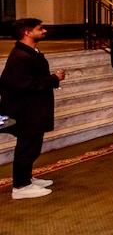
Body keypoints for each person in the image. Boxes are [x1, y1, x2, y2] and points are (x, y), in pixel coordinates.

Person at [0, 18, 65, 199]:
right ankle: (20, 187)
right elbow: (22, 84)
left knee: (32, 147)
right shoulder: (20, 57)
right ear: (27, 33)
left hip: (33, 109)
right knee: (26, 148)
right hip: (25, 111)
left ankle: (26, 178)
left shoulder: (29, 52)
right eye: (40, 28)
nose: (44, 31)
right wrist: (54, 79)